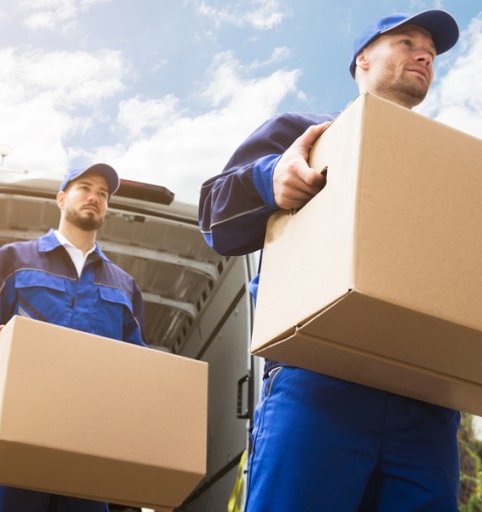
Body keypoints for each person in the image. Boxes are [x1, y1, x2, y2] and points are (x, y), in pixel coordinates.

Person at [198, 10, 462, 512]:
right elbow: (214, 219)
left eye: (430, 52)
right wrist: (270, 178)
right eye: (408, 42)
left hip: (426, 401)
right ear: (363, 59)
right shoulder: (304, 134)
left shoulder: (446, 166)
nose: (424, 55)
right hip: (319, 380)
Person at [0, 163, 145, 512]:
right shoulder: (12, 261)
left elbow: (139, 366)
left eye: (103, 194)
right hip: (17, 439)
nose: (95, 197)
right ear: (61, 198)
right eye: (85, 188)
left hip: (89, 448)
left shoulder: (124, 286)